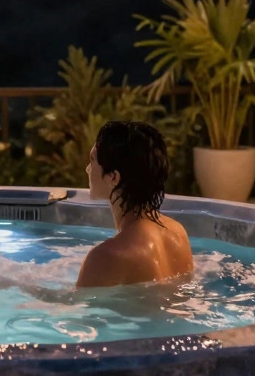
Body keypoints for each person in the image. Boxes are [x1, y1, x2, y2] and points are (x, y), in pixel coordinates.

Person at [76, 120, 194, 288]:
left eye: (93, 160)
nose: (88, 168)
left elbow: (77, 303)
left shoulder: (107, 256)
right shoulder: (178, 233)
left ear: (113, 177)